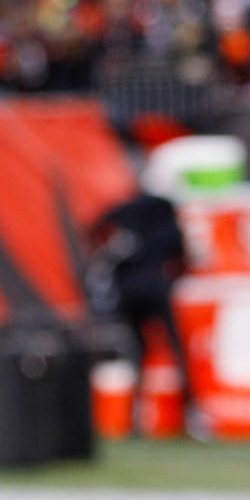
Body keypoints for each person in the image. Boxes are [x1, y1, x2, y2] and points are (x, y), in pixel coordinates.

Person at [87, 181, 208, 440]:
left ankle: (135, 418)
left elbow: (93, 230)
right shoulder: (163, 211)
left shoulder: (124, 211)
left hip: (128, 290)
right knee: (176, 351)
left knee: (136, 356)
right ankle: (190, 415)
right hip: (154, 287)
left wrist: (109, 254)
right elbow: (179, 249)